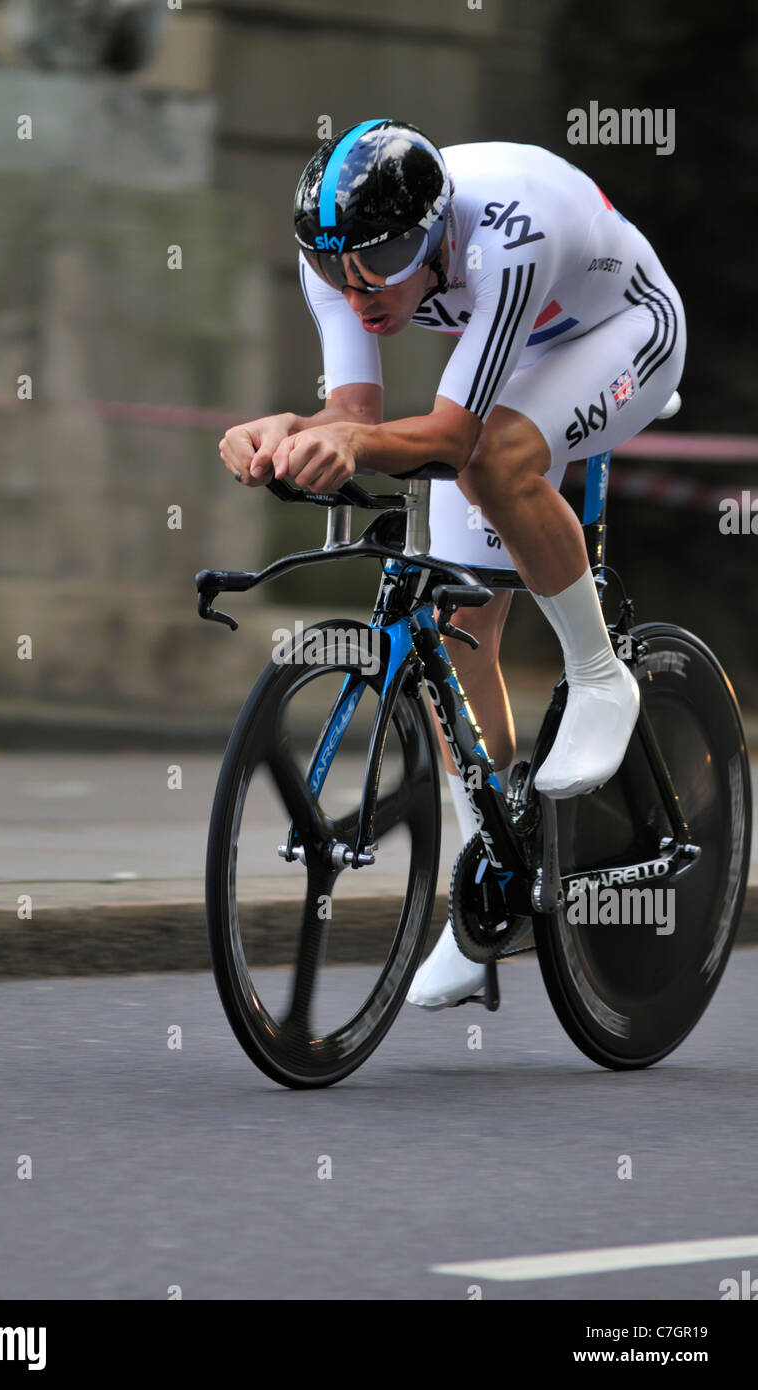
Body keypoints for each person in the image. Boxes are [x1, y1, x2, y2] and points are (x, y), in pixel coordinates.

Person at [218, 119, 685, 1010]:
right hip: (521, 359)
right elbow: (354, 412)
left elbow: (446, 437)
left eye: (385, 259)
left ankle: (600, 676)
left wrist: (350, 439)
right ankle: (486, 894)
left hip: (628, 332)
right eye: (334, 269)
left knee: (493, 463)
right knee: (456, 623)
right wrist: (281, 431)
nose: (358, 293)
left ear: (435, 234)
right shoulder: (341, 262)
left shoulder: (506, 232)